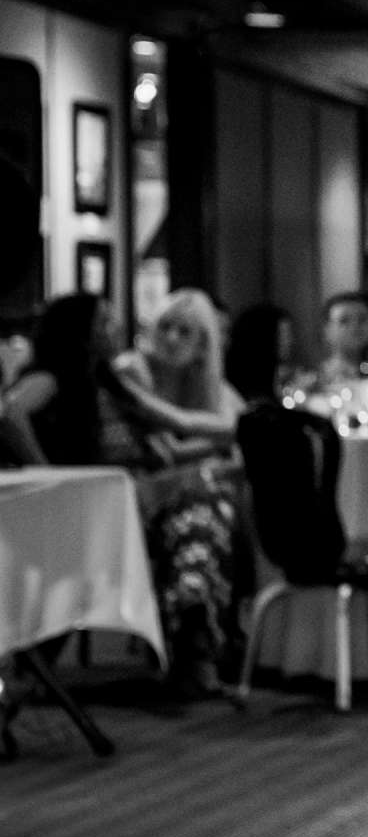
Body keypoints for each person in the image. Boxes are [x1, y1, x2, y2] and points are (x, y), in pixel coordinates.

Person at [2, 294, 241, 692]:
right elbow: (12, 412)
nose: (115, 331)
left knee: (200, 512)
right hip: (94, 507)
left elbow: (172, 423)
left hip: (126, 499)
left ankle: (194, 641)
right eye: (105, 324)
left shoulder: (109, 380)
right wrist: (45, 469)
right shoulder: (54, 377)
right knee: (200, 511)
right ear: (83, 334)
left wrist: (239, 429)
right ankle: (195, 648)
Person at [115, 288, 240, 459]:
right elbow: (172, 451)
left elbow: (240, 422)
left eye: (184, 331)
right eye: (164, 326)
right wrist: (225, 438)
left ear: (202, 346)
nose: (171, 338)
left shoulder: (200, 376)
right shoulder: (133, 369)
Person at [224, 303, 295, 408]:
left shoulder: (276, 377)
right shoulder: (251, 392)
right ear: (266, 338)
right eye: (285, 335)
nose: (291, 341)